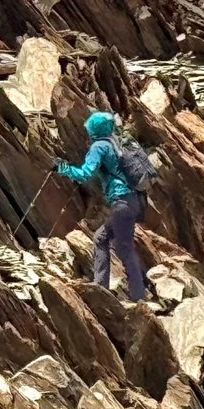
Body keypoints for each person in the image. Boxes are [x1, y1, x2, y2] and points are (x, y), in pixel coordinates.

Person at [54, 111, 147, 302]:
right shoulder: (116, 141)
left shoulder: (99, 146)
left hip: (121, 202)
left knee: (124, 248)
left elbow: (85, 173)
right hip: (134, 200)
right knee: (101, 238)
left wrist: (62, 168)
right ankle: (101, 287)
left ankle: (137, 296)